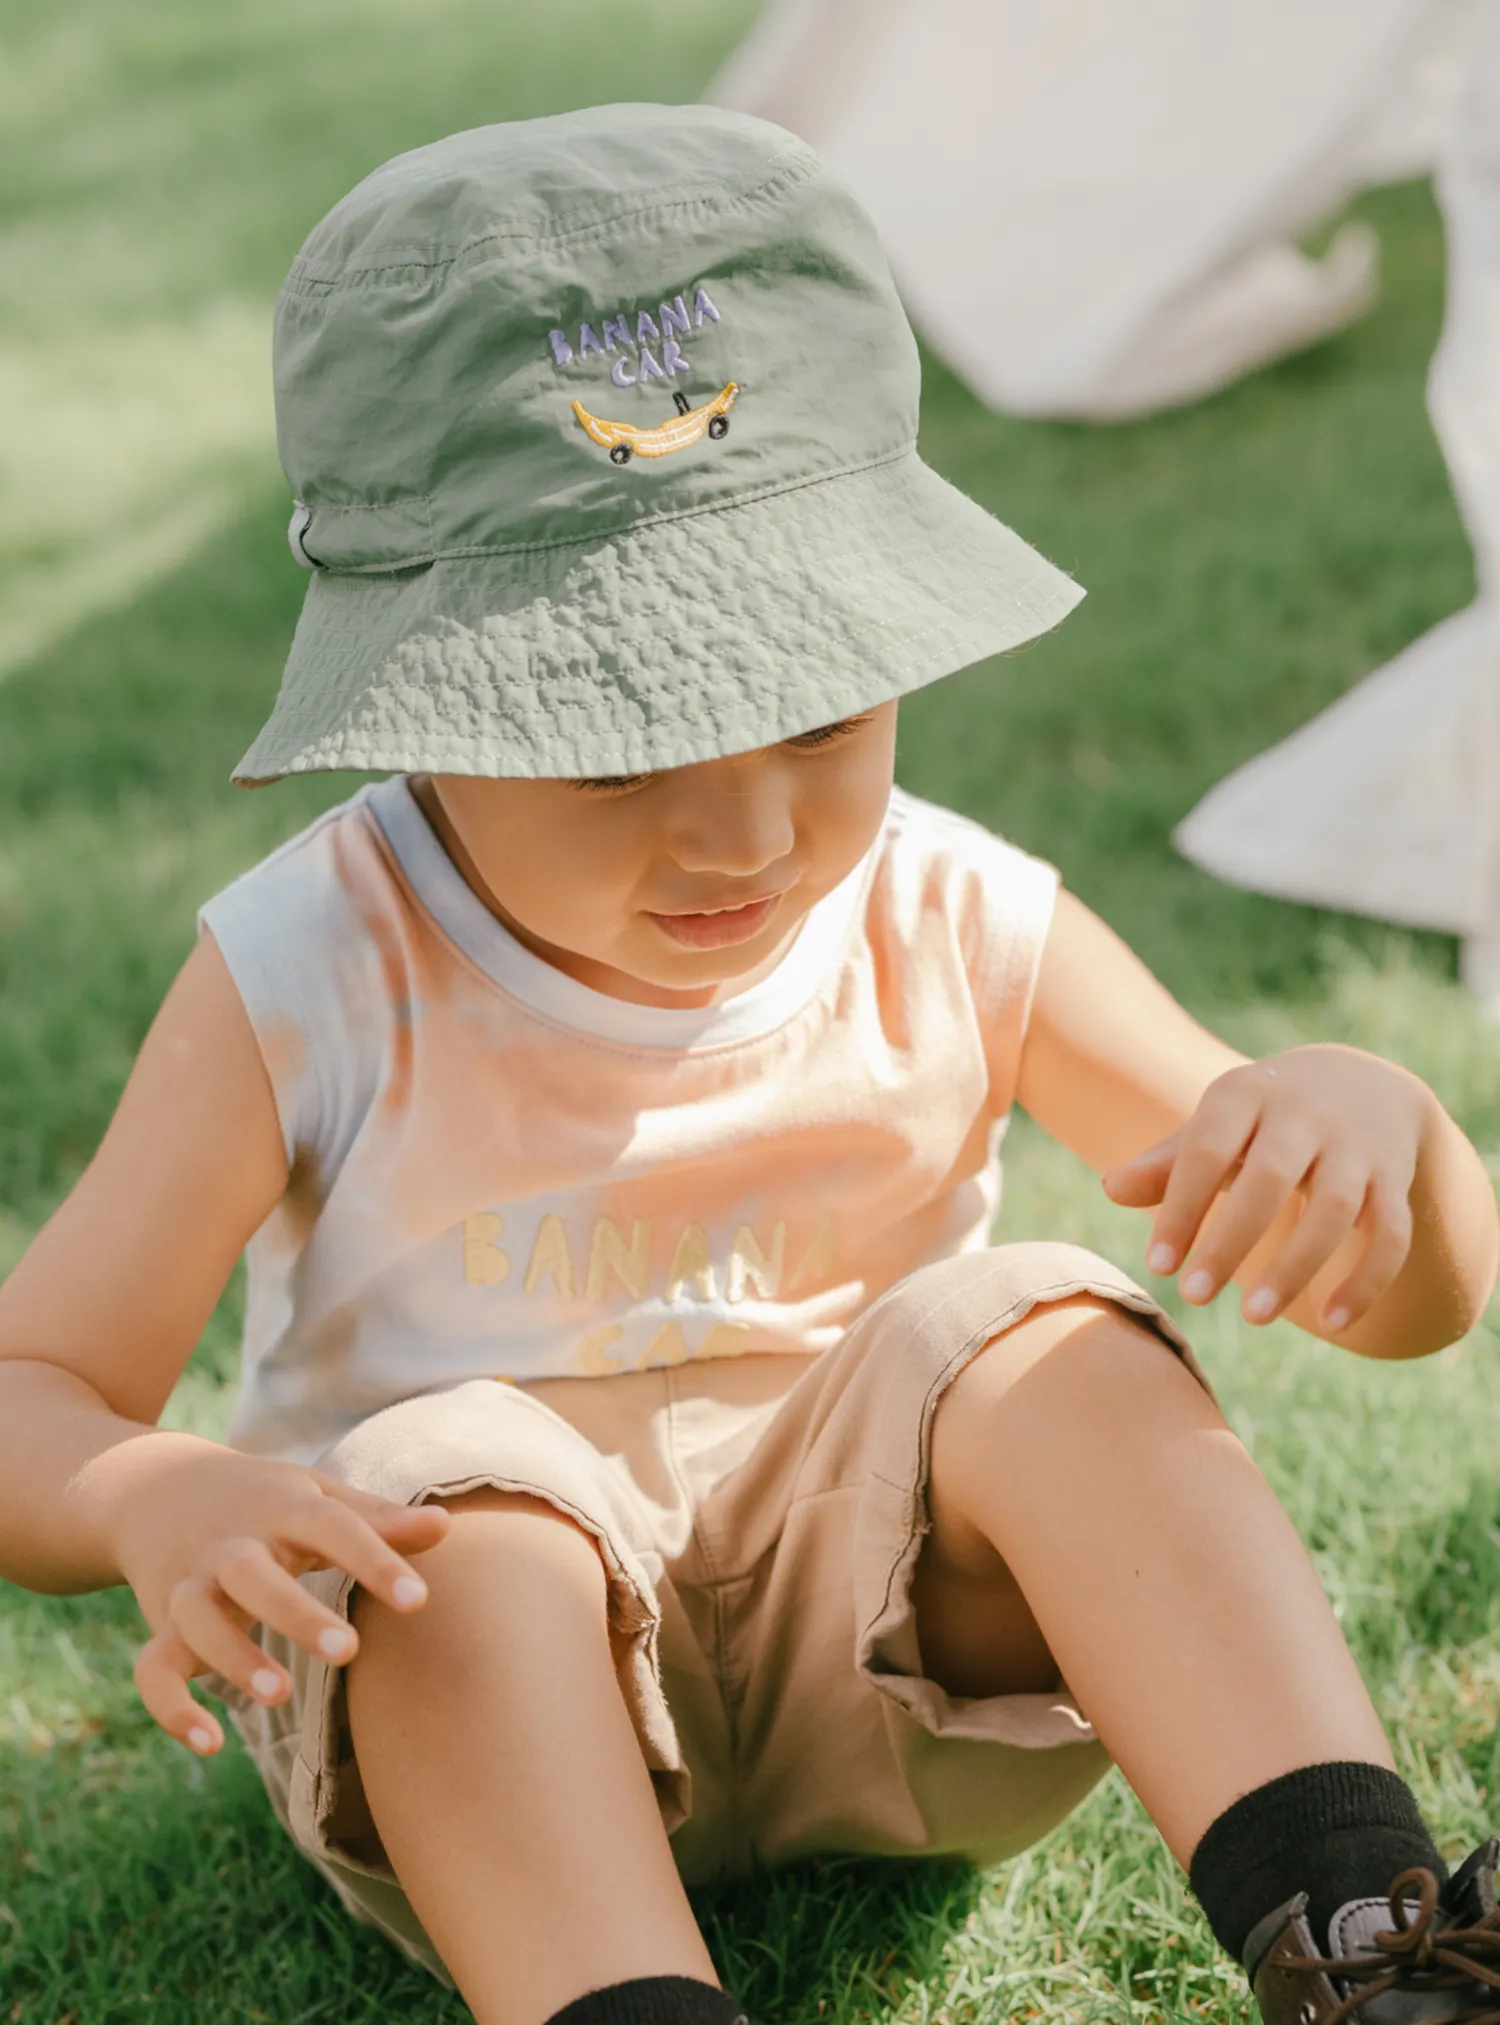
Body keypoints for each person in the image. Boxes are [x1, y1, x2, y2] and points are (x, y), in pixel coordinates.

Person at [0, 103, 1496, 2025]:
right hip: (494, 1736)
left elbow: (1408, 1304)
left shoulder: (946, 908)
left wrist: (1386, 1138)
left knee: (1055, 1327)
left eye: (820, 707)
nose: (746, 836)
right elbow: (36, 1385)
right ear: (421, 697)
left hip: (891, 1669)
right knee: (451, 1502)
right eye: (617, 745)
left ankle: (1371, 1944)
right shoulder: (314, 964)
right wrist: (151, 1496)